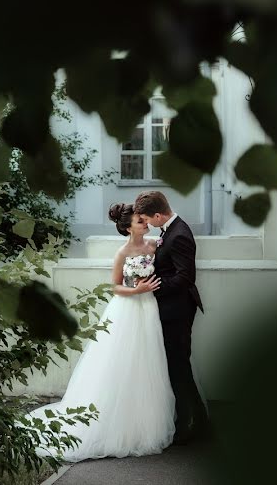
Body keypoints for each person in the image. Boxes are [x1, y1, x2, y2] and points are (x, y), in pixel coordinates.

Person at [24, 203, 174, 462]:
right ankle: (114, 424)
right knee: (120, 362)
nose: (145, 223)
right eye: (140, 221)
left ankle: (143, 422)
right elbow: (114, 287)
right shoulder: (123, 252)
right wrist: (136, 291)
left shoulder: (155, 245)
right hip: (127, 308)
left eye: (144, 220)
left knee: (147, 363)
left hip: (149, 310)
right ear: (128, 227)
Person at [133, 191, 209, 444]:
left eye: (147, 218)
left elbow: (186, 277)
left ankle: (193, 426)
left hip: (177, 310)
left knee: (178, 367)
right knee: (176, 366)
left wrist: (155, 286)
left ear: (157, 214)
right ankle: (191, 420)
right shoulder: (169, 230)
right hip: (171, 308)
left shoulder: (179, 234)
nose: (147, 224)